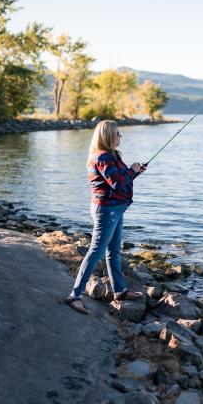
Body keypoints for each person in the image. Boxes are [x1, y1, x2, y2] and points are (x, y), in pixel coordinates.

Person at [65, 120, 147, 314]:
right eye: (118, 133)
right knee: (96, 251)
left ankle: (119, 290)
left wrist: (135, 173)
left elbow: (120, 180)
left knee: (114, 251)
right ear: (109, 135)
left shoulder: (113, 156)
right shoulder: (102, 157)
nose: (120, 136)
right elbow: (117, 184)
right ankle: (75, 296)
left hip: (115, 208)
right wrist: (131, 170)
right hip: (106, 210)